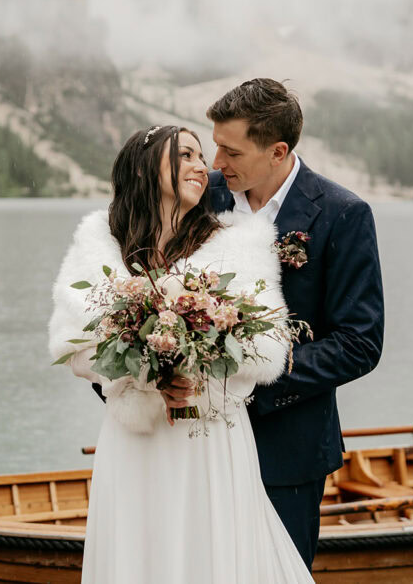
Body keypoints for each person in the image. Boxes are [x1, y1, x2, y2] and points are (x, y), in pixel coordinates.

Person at [49, 125, 315, 583]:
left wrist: (195, 374)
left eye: (200, 155)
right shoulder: (101, 243)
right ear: (144, 167)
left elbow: (266, 349)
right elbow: (74, 348)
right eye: (186, 155)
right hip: (136, 437)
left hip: (210, 437)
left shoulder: (240, 243)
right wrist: (149, 378)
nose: (202, 165)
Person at [165, 78, 385, 568]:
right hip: (195, 441)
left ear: (277, 150)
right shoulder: (202, 198)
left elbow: (359, 343)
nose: (214, 163)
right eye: (214, 146)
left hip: (287, 448)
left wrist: (247, 378)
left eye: (230, 151)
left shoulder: (342, 215)